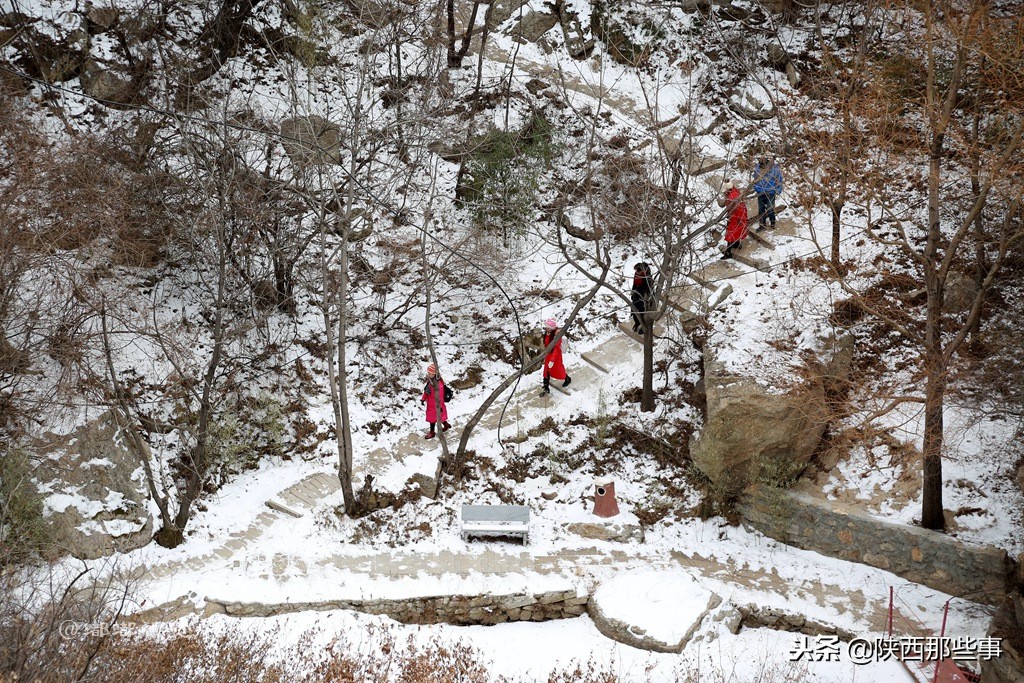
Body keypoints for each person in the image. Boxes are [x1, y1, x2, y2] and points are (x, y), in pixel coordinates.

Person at [718, 179, 748, 260]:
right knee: (738, 231)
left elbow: (729, 207)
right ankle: (737, 244)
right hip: (741, 216)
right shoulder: (736, 191)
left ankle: (728, 253)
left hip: (735, 217)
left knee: (730, 234)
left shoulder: (731, 197)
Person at [751, 156, 783, 231]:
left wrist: (777, 190)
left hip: (770, 192)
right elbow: (755, 179)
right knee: (761, 209)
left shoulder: (775, 170)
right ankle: (762, 225)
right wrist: (756, 188)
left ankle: (772, 223)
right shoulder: (758, 169)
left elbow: (779, 181)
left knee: (770, 208)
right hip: (760, 192)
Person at [540, 318, 571, 395]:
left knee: (558, 370)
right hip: (548, 355)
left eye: (548, 327)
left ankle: (567, 378)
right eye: (546, 327)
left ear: (552, 328)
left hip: (556, 357)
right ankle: (546, 388)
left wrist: (552, 360)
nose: (546, 328)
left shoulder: (556, 336)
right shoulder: (547, 333)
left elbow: (556, 349)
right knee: (546, 371)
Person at [420, 363, 450, 439]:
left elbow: (440, 397)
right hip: (431, 404)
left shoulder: (439, 385)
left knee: (437, 418)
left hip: (436, 405)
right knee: (433, 418)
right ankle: (444, 425)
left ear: (434, 374)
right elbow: (426, 391)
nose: (428, 374)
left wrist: (439, 406)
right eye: (428, 373)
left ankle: (432, 432)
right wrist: (423, 399)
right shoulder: (430, 381)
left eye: (429, 373)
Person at [630, 262, 653, 334]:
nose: (637, 272)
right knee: (634, 310)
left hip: (644, 296)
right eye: (636, 271)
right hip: (636, 294)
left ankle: (644, 325)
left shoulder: (647, 276)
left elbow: (648, 288)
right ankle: (637, 323)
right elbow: (634, 283)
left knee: (642, 311)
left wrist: (644, 296)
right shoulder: (637, 274)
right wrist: (633, 292)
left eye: (638, 271)